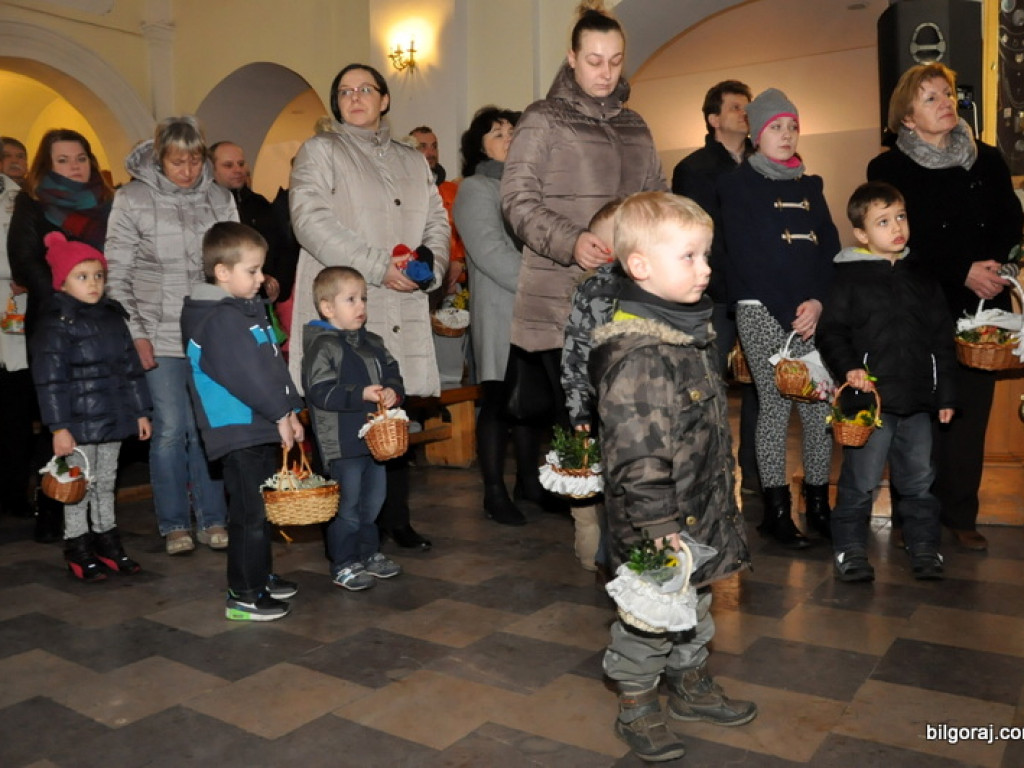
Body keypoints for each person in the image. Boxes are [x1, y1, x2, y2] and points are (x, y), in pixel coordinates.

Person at [590, 191, 755, 762]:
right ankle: (637, 705)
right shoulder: (639, 354)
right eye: (688, 256)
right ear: (640, 267)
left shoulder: (686, 335)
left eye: (706, 255)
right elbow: (637, 458)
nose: (705, 268)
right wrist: (659, 526)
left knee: (696, 602)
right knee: (647, 619)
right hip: (659, 521)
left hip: (698, 508)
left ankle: (689, 685)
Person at [500, 1, 666, 504]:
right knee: (582, 426)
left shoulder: (636, 125)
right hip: (559, 297)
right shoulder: (543, 119)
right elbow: (516, 200)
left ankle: (623, 539)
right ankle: (595, 542)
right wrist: (572, 241)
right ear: (571, 58)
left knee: (627, 423)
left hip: (626, 297)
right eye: (594, 60)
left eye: (615, 60)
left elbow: (657, 198)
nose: (606, 71)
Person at [289, 63, 449, 552]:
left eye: (365, 89)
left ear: (383, 100)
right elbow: (310, 221)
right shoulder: (320, 152)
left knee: (392, 411)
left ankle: (395, 519)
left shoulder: (411, 158)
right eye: (344, 91)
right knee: (345, 417)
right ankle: (347, 533)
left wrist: (429, 266)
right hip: (345, 301)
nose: (354, 97)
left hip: (401, 296)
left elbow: (436, 219)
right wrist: (379, 268)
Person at [867, 62, 1023, 552]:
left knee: (971, 415)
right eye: (931, 97)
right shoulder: (888, 169)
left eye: (948, 93)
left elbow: (1010, 219)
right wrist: (961, 269)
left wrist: (995, 266)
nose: (945, 102)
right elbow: (903, 237)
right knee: (923, 415)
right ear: (907, 118)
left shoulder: (988, 158)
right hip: (922, 302)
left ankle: (962, 514)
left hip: (983, 304)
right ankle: (918, 512)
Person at [105, 116, 237, 555]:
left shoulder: (220, 198)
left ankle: (214, 518)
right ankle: (175, 523)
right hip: (156, 333)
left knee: (209, 427)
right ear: (160, 158)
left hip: (210, 334)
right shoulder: (132, 199)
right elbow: (117, 276)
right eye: (177, 161)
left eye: (194, 160)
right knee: (171, 429)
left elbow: (232, 267)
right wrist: (135, 335)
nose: (186, 170)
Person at [718, 88, 840, 548]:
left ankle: (818, 507)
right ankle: (776, 511)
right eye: (776, 127)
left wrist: (819, 303)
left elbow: (830, 248)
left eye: (792, 126)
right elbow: (744, 257)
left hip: (810, 312)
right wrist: (794, 310)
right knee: (776, 406)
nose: (786, 135)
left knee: (818, 409)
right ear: (756, 132)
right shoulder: (736, 184)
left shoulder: (811, 185)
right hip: (762, 309)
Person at [818, 182, 956, 582]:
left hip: (917, 399)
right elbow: (831, 333)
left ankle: (925, 547)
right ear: (861, 234)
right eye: (882, 221)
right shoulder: (848, 279)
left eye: (900, 217)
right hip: (869, 403)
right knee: (860, 483)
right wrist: (849, 369)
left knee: (918, 483)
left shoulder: (923, 278)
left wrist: (945, 393)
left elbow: (941, 339)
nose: (896, 227)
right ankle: (850, 550)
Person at [180, 222, 304, 621]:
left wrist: (291, 409)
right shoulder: (219, 320)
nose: (261, 278)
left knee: (260, 511)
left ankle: (261, 575)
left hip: (256, 423)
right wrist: (279, 413)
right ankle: (243, 594)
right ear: (221, 272)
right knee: (248, 514)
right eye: (251, 271)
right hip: (237, 428)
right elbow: (247, 377)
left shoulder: (242, 312)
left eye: (260, 269)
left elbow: (269, 365)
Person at [7, 129, 115, 542]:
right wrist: (68, 297)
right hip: (56, 324)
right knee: (62, 420)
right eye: (63, 160)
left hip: (104, 323)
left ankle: (100, 517)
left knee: (101, 421)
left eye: (81, 157)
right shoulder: (33, 204)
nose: (75, 166)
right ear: (46, 166)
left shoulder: (108, 203)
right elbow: (24, 261)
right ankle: (54, 516)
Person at [31, 232, 152, 581]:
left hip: (113, 416)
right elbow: (50, 382)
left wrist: (140, 411)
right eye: (82, 277)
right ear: (63, 282)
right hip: (77, 423)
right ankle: (77, 545)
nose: (93, 284)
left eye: (98, 275)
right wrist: (59, 427)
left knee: (106, 482)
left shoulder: (113, 317)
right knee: (78, 486)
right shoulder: (56, 323)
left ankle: (107, 540)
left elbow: (131, 367)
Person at [672, 80, 760, 496]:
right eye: (736, 107)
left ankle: (758, 471)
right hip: (716, 295)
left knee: (764, 383)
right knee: (709, 386)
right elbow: (695, 238)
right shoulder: (693, 169)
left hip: (761, 293)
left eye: (749, 107)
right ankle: (712, 470)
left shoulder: (767, 163)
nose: (745, 112)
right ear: (713, 119)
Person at [302, 266, 405, 590]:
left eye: (363, 298)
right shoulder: (323, 346)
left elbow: (392, 371)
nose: (360, 306)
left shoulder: (372, 341)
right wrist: (358, 393)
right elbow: (318, 391)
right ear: (327, 308)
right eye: (351, 299)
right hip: (343, 444)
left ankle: (368, 553)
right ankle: (344, 562)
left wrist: (391, 390)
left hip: (375, 440)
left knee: (373, 502)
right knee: (347, 507)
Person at [451, 106, 529, 526]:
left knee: (534, 398)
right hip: (502, 306)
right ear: (479, 145)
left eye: (514, 131)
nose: (508, 137)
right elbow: (489, 253)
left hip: (536, 310)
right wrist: (541, 287)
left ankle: (530, 484)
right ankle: (494, 491)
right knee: (498, 401)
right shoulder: (477, 189)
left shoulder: (531, 186)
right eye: (498, 133)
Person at [560, 199, 622, 570]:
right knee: (591, 476)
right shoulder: (593, 290)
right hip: (602, 405)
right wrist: (578, 408)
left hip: (646, 408)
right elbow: (575, 355)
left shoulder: (655, 283)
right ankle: (594, 550)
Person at [209, 141, 298, 305]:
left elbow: (283, 248)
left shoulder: (259, 203)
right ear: (212, 170)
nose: (238, 170)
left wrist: (276, 282)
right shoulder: (205, 208)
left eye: (241, 164)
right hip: (221, 301)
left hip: (262, 301)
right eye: (228, 165)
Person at [0, 167, 35, 519]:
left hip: (16, 320)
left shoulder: (19, 198)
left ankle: (13, 494)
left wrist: (27, 275)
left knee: (16, 417)